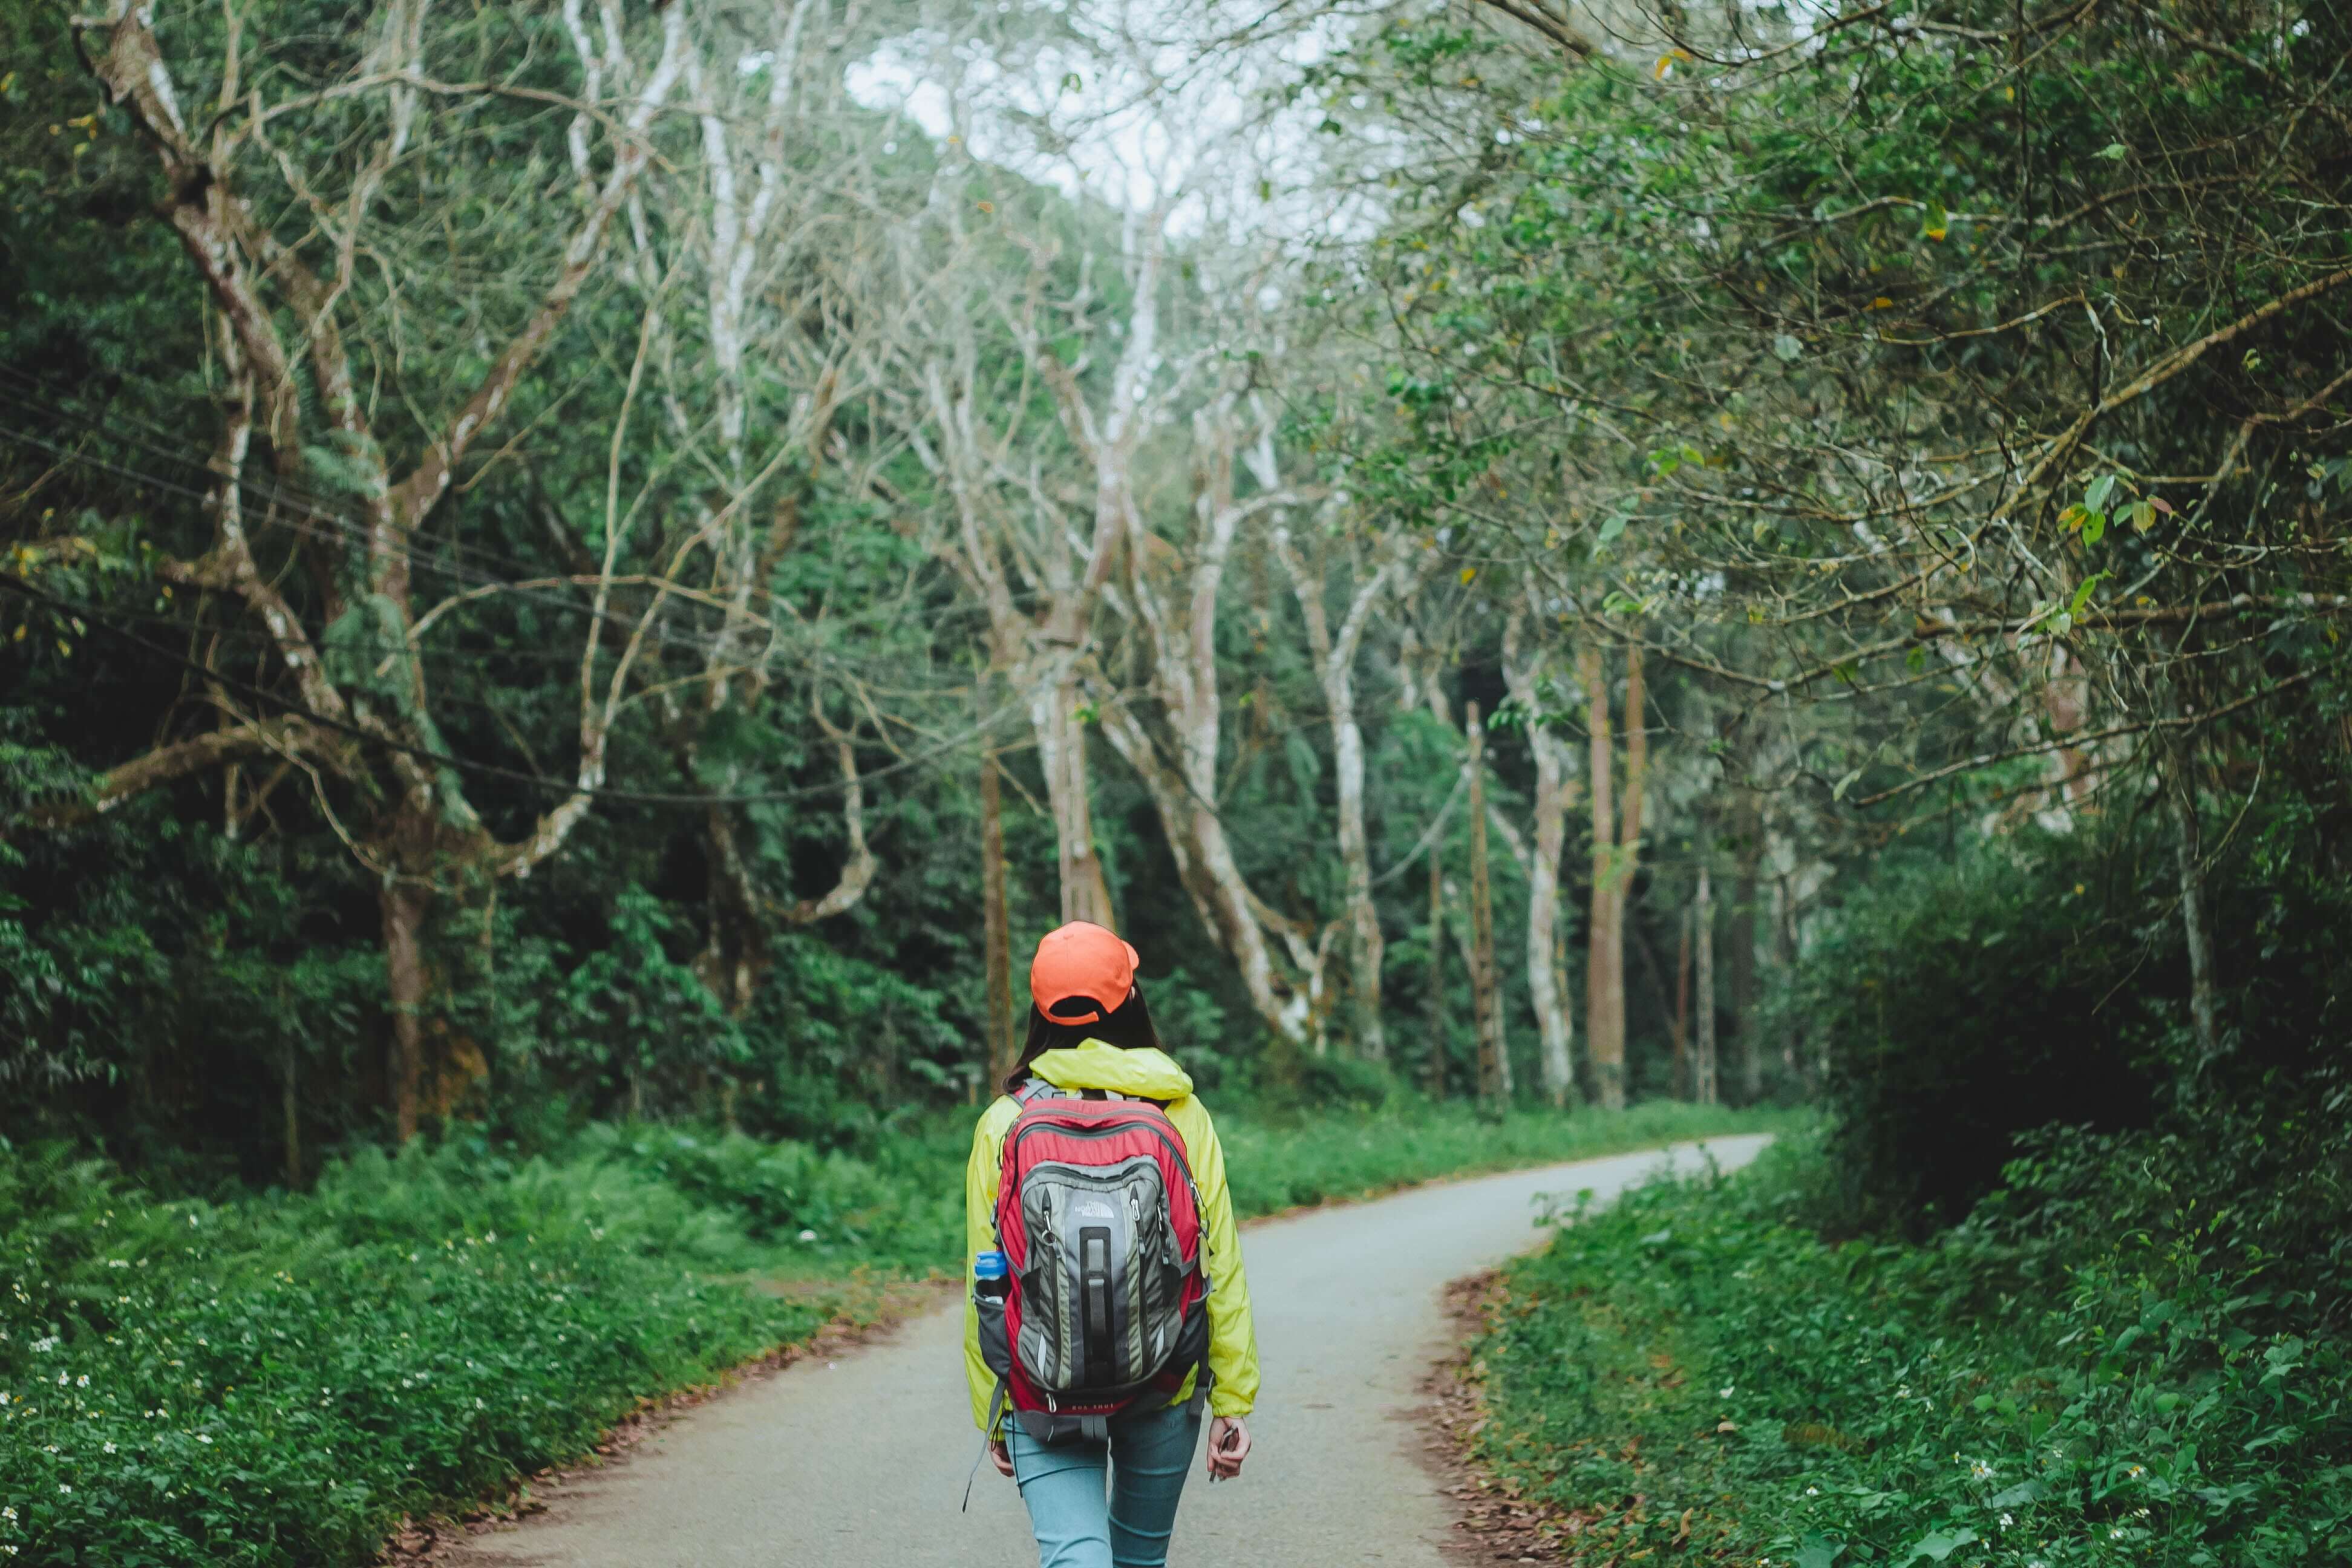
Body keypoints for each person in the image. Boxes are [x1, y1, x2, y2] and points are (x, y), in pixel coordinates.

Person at [964, 920, 1259, 1568]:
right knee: (1138, 1562)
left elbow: (985, 1277)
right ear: (1131, 999)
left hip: (1040, 1388)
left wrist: (995, 1401)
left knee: (1077, 1558)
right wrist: (1233, 1399)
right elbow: (1219, 1265)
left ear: (1040, 1010)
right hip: (1166, 1378)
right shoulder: (1180, 1113)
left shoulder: (1006, 1123)